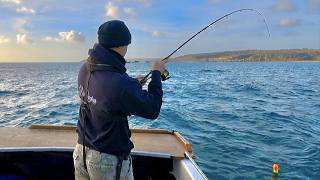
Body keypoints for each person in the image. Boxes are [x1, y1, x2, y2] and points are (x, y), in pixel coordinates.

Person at [73, 20, 166, 180]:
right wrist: (156, 74)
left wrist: (134, 83)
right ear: (121, 44)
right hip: (107, 161)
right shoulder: (120, 84)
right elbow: (152, 109)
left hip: (80, 151)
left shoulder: (85, 68)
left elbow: (105, 96)